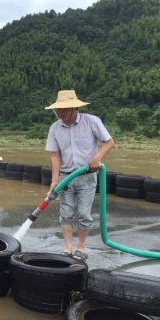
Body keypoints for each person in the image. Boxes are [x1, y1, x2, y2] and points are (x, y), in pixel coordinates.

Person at [44, 90, 114, 260]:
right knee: (66, 213)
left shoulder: (91, 121)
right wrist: (54, 181)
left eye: (64, 109)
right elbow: (54, 155)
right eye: (59, 110)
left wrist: (97, 157)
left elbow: (109, 142)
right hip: (65, 176)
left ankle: (81, 248)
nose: (61, 113)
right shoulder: (55, 128)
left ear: (75, 107)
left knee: (83, 213)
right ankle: (67, 247)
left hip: (87, 175)